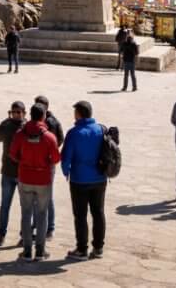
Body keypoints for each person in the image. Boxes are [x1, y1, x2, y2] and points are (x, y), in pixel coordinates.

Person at [9, 103, 61, 261]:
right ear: (44, 116)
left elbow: (12, 154)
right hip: (43, 179)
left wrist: (23, 162)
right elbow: (57, 158)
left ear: (29, 115)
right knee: (42, 213)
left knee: (26, 213)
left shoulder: (20, 134)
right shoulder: (49, 137)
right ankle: (40, 250)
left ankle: (26, 251)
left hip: (25, 178)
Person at [61, 100, 107, 259]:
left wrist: (66, 171)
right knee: (98, 212)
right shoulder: (101, 129)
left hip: (79, 179)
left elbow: (66, 157)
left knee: (80, 215)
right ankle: (98, 248)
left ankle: (82, 249)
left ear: (79, 114)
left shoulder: (74, 133)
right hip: (100, 178)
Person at [0, 101, 26, 246]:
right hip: (7, 172)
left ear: (24, 113)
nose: (17, 115)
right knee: (5, 205)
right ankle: (1, 235)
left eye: (19, 112)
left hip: (22, 173)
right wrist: (4, 123)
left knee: (25, 206)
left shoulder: (27, 128)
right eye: (14, 112)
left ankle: (24, 235)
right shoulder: (6, 125)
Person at [34, 96, 64, 239]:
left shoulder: (51, 122)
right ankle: (41, 226)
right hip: (40, 162)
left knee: (47, 196)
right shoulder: (40, 121)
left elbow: (59, 139)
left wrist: (51, 152)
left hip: (47, 163)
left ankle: (49, 227)